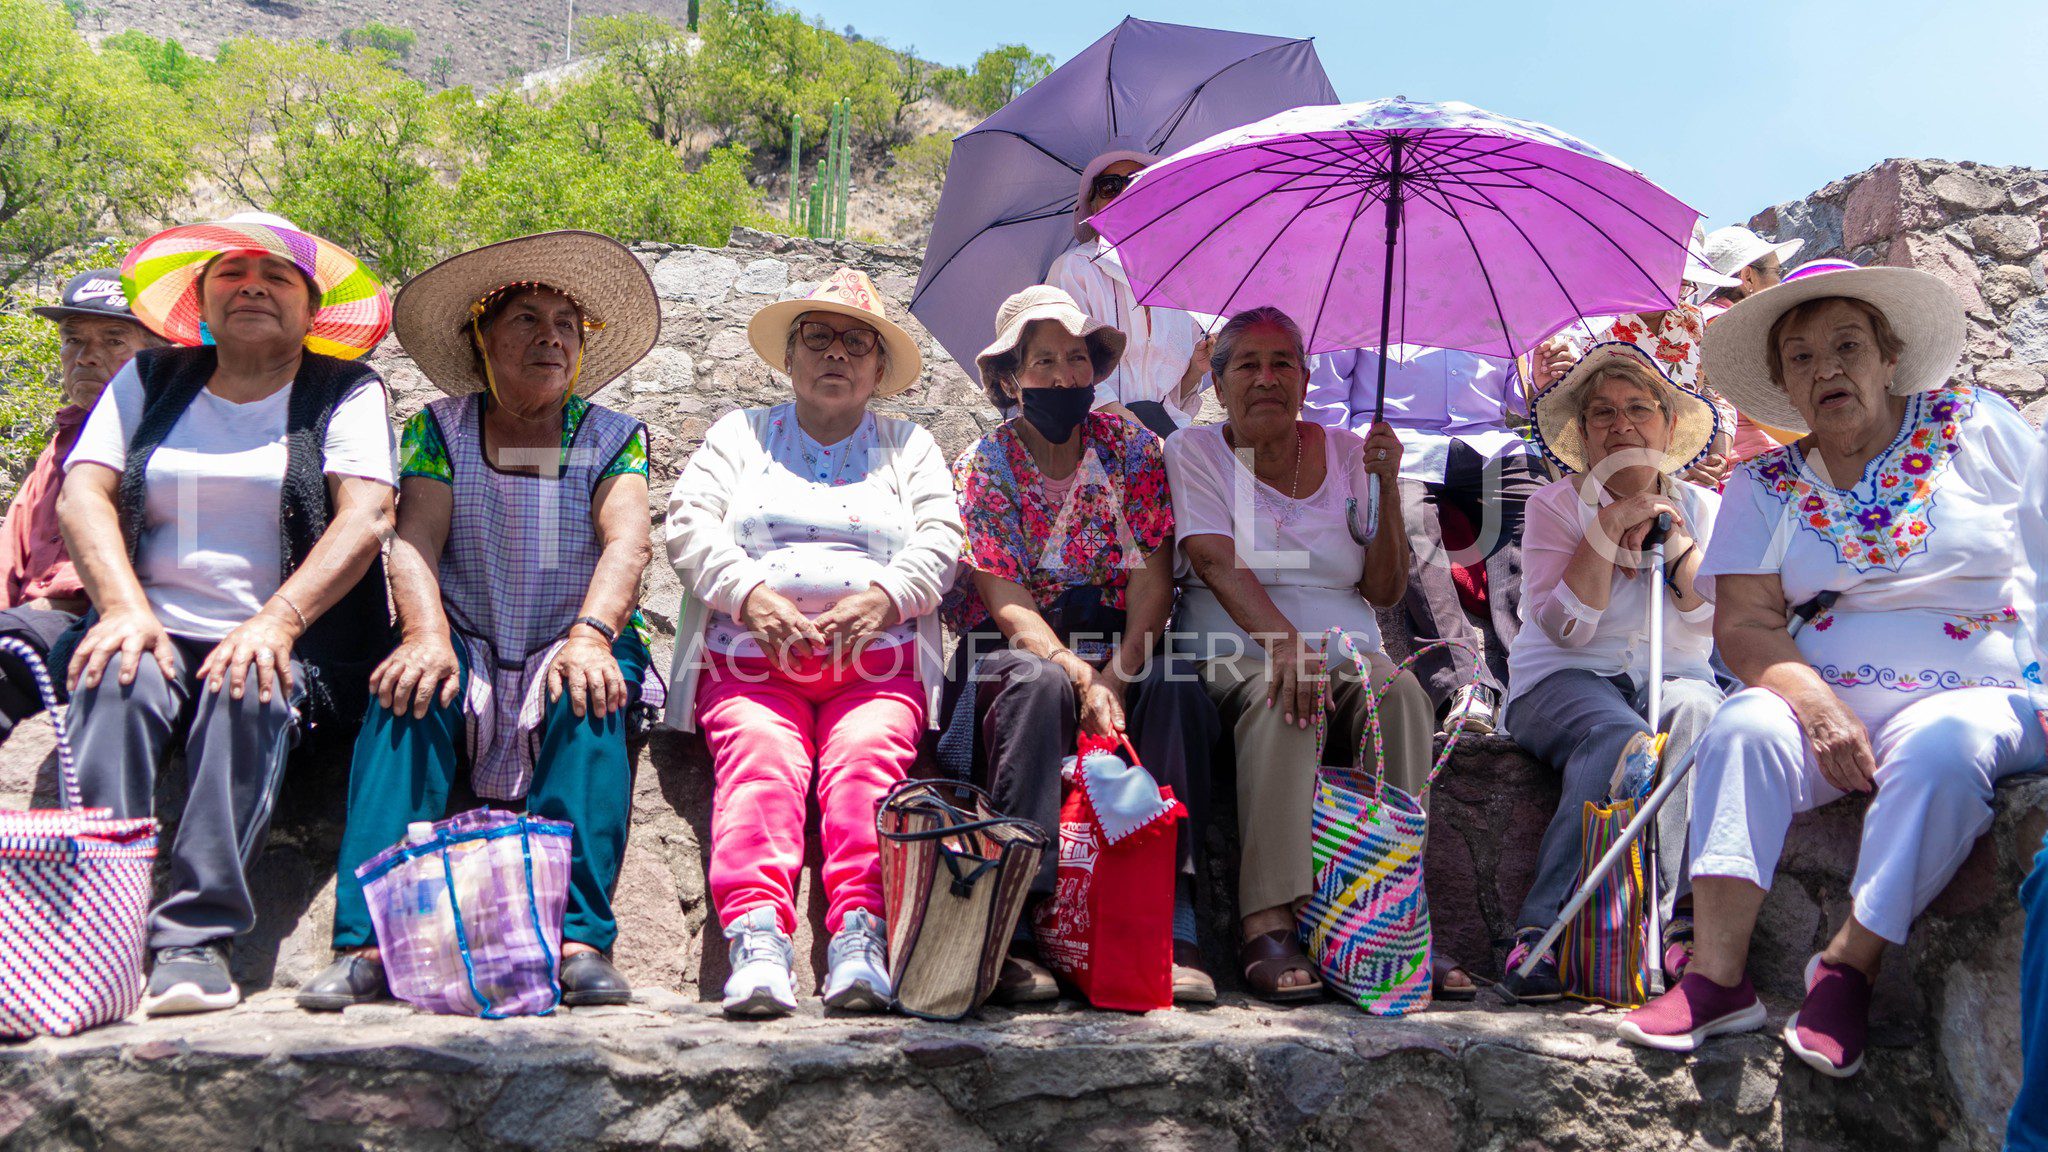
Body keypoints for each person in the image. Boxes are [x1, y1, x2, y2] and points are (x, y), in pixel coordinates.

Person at [1618, 267, 2045, 1080]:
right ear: (1783, 385)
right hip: (1824, 690)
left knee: (1946, 751)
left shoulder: (1974, 425)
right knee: (1742, 725)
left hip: (1983, 690)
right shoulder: (1764, 483)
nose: (1827, 369)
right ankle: (1715, 978)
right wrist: (1812, 703)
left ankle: (1849, 966)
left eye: (1849, 346)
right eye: (1802, 356)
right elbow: (1744, 626)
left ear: (1890, 358)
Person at [300, 231, 662, 1011]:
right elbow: (416, 536)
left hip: (573, 629)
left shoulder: (611, 438)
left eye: (567, 324)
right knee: (408, 692)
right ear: (482, 339)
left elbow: (628, 541)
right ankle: (366, 944)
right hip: (467, 629)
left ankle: (578, 941)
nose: (551, 336)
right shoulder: (441, 430)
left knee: (592, 694)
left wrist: (592, 635)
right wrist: (426, 634)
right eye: (527, 319)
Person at [56, 213, 398, 1016]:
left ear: (311, 309)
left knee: (249, 684)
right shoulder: (149, 381)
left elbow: (367, 515)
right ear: (201, 299)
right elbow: (84, 492)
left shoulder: (344, 390)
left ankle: (193, 941)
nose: (252, 286)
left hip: (296, 640)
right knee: (114, 680)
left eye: (277, 277)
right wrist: (121, 608)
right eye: (231, 274)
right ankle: (98, 935)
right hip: (152, 621)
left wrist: (277, 622)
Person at [666, 269, 963, 1018]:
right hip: (751, 664)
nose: (837, 354)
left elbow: (941, 539)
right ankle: (758, 940)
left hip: (877, 667)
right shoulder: (741, 436)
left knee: (865, 767)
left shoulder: (909, 447)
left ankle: (859, 939)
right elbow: (689, 524)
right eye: (819, 339)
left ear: (878, 369)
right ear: (791, 359)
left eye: (856, 343)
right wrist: (751, 596)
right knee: (762, 763)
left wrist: (882, 599)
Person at [1163, 305, 1474, 1003]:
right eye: (1247, 364)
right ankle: (1266, 920)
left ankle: (1389, 913)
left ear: (1307, 379)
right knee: (1283, 698)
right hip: (1233, 642)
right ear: (1218, 382)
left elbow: (1384, 585)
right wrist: (1288, 648)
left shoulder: (1346, 450)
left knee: (1400, 696)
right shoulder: (1195, 451)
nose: (1266, 378)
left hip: (1347, 647)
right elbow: (1212, 560)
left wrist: (1386, 487)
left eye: (1283, 364)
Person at [940, 284, 1221, 1004]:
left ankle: (1173, 917)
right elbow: (1006, 601)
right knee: (1034, 688)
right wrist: (1074, 672)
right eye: (1043, 362)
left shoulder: (1129, 446)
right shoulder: (985, 464)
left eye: (1076, 360)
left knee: (1180, 684)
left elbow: (1153, 578)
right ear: (1009, 379)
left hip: (1116, 635)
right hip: (1014, 647)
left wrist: (1118, 676)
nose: (1064, 377)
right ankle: (1020, 924)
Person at [1500, 343, 1726, 1000]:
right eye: (1602, 414)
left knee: (1705, 718)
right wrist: (1606, 528)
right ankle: (1539, 933)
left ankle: (1682, 928)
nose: (1622, 425)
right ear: (1587, 436)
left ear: (1665, 425)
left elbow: (1703, 616)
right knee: (1618, 739)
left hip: (1676, 678)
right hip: (1562, 684)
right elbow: (1569, 629)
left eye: (1638, 409)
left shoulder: (1705, 508)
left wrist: (1671, 531)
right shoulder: (1552, 506)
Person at [1305, 345, 1545, 735]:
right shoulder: (1366, 293)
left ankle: (1529, 677)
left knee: (1538, 507)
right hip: (1399, 446)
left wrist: (1536, 379)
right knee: (1409, 519)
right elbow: (1324, 396)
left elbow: (1513, 394)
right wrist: (1349, 459)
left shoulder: (1493, 294)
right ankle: (1463, 680)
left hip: (1487, 442)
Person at [0, 270, 165, 739]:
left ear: (158, 355)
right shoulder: (62, 443)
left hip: (92, 625)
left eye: (114, 340)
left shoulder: (172, 441)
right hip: (22, 623)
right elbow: (10, 550)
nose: (86, 357)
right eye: (72, 340)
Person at [1531, 223, 1742, 489]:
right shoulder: (1589, 326)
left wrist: (1718, 453)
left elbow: (1714, 389)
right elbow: (1571, 409)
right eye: (1666, 281)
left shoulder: (1692, 318)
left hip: (1694, 470)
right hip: (1620, 470)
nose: (1675, 293)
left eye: (1684, 284)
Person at [1046, 149, 1213, 440]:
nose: (1124, 194)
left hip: (1160, 445)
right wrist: (1137, 433)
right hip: (1093, 443)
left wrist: (1195, 372)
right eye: (1110, 186)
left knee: (1244, 469)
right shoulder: (1073, 271)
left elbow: (1172, 401)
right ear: (1094, 206)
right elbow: (1068, 369)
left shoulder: (1177, 283)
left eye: (1137, 182)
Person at [1702, 225, 1807, 463]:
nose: (1779, 282)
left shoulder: (1701, 319)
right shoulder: (1725, 325)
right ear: (1747, 276)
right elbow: (1758, 408)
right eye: (1776, 272)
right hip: (1756, 466)